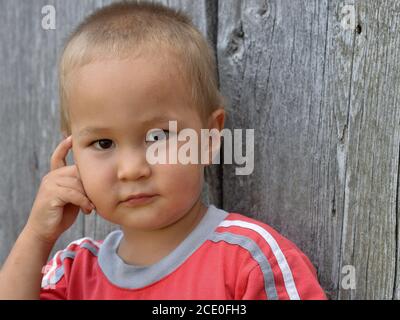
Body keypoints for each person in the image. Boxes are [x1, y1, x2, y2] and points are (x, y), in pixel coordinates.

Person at [0, 1, 327, 300]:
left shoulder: (250, 261)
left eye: (158, 137)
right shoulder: (72, 273)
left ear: (209, 137)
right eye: (103, 143)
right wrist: (37, 236)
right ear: (72, 154)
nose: (131, 169)